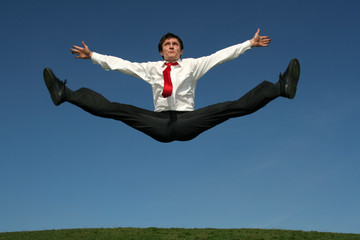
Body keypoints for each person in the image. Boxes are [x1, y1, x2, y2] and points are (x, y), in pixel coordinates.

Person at [43, 29, 300, 143]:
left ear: (182, 50)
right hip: (158, 123)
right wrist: (94, 56)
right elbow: (122, 64)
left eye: (175, 44)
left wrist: (248, 44)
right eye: (167, 44)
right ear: (161, 51)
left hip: (188, 120)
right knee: (117, 109)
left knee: (229, 108)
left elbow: (221, 56)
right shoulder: (151, 68)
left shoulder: (193, 65)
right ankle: (63, 93)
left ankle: (280, 87)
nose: (172, 46)